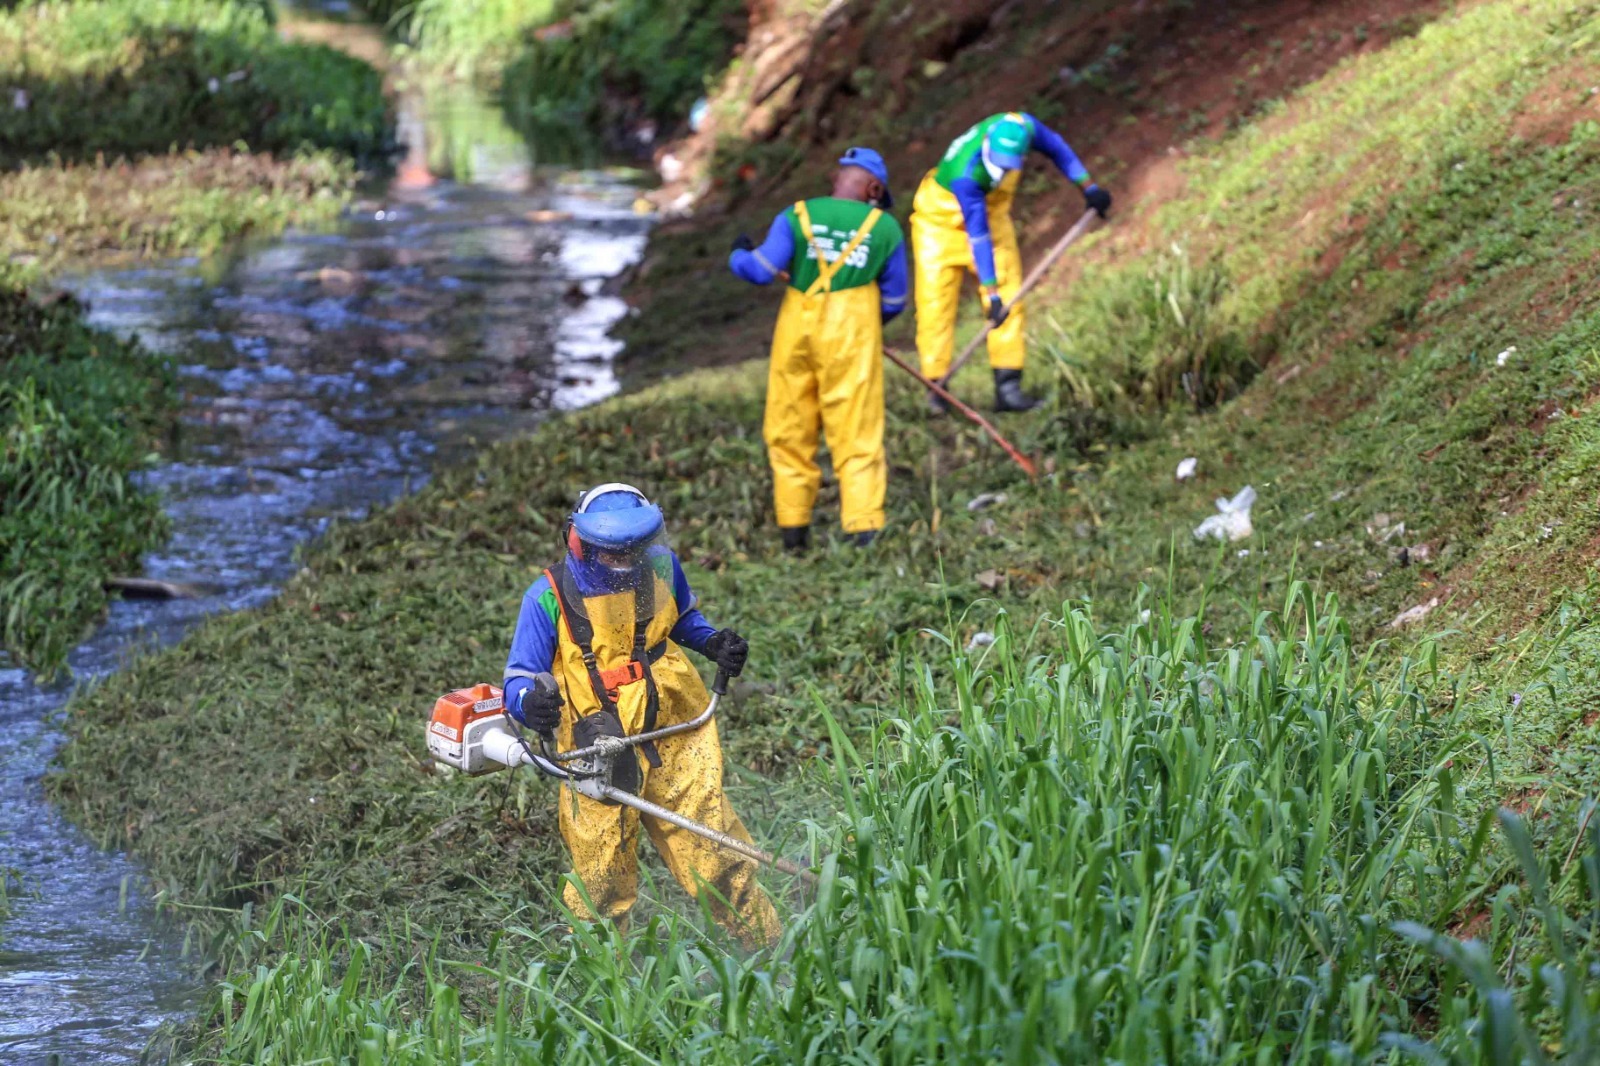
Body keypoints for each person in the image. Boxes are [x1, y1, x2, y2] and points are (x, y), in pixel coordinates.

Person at [502, 483, 781, 949]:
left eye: (633, 551)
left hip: (675, 724)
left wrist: (712, 642)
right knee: (602, 870)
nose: (624, 562)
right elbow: (518, 677)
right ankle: (603, 974)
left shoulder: (661, 568)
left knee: (712, 845)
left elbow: (682, 619)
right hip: (597, 739)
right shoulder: (547, 596)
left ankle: (766, 948)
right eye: (613, 552)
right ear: (581, 542)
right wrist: (529, 703)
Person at [728, 146, 909, 552]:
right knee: (856, 428)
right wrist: (867, 327)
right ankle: (863, 530)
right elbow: (896, 300)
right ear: (874, 189)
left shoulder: (798, 215)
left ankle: (794, 533)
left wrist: (738, 255)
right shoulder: (885, 228)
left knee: (789, 425)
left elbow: (760, 270)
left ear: (839, 178)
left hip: (796, 328)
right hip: (853, 334)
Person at [911, 111, 1112, 413]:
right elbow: (978, 237)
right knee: (936, 306)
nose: (1002, 173)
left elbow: (1058, 148)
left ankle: (1008, 389)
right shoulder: (966, 174)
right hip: (939, 226)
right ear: (987, 144)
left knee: (1009, 299)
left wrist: (1089, 188)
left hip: (992, 219)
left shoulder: (1024, 126)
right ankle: (936, 388)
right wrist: (990, 294)